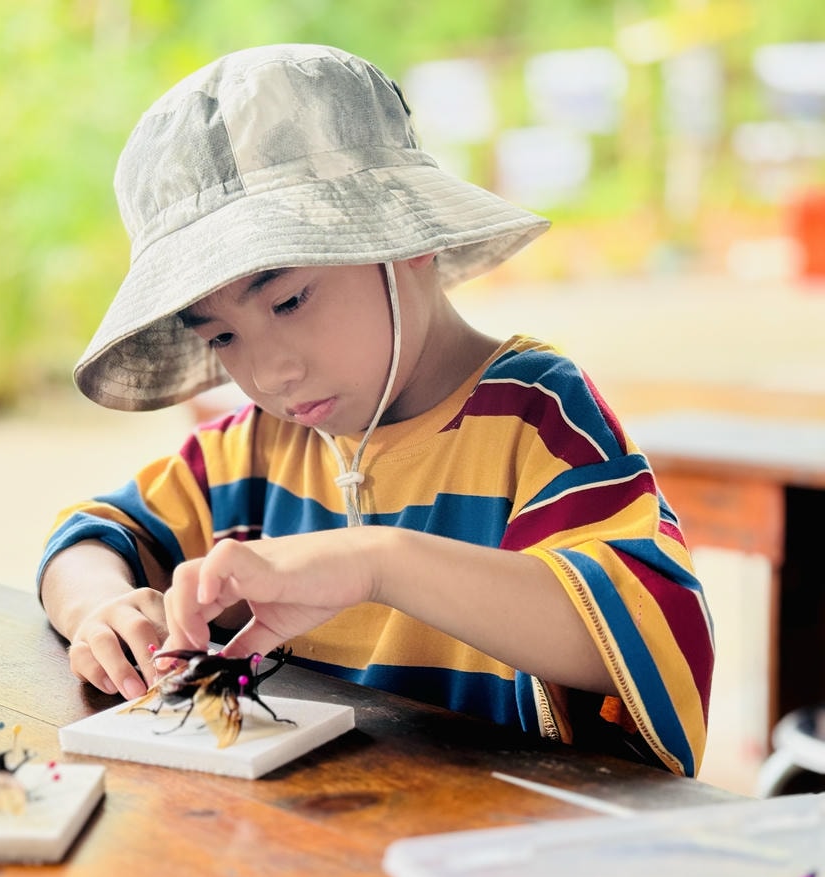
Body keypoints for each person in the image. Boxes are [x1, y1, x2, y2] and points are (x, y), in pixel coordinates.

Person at [38, 43, 713, 777]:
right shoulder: (257, 450)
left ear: (405, 236)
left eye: (290, 299)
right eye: (223, 335)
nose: (269, 370)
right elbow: (92, 534)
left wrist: (375, 563)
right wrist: (99, 609)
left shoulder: (537, 417)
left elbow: (646, 628)